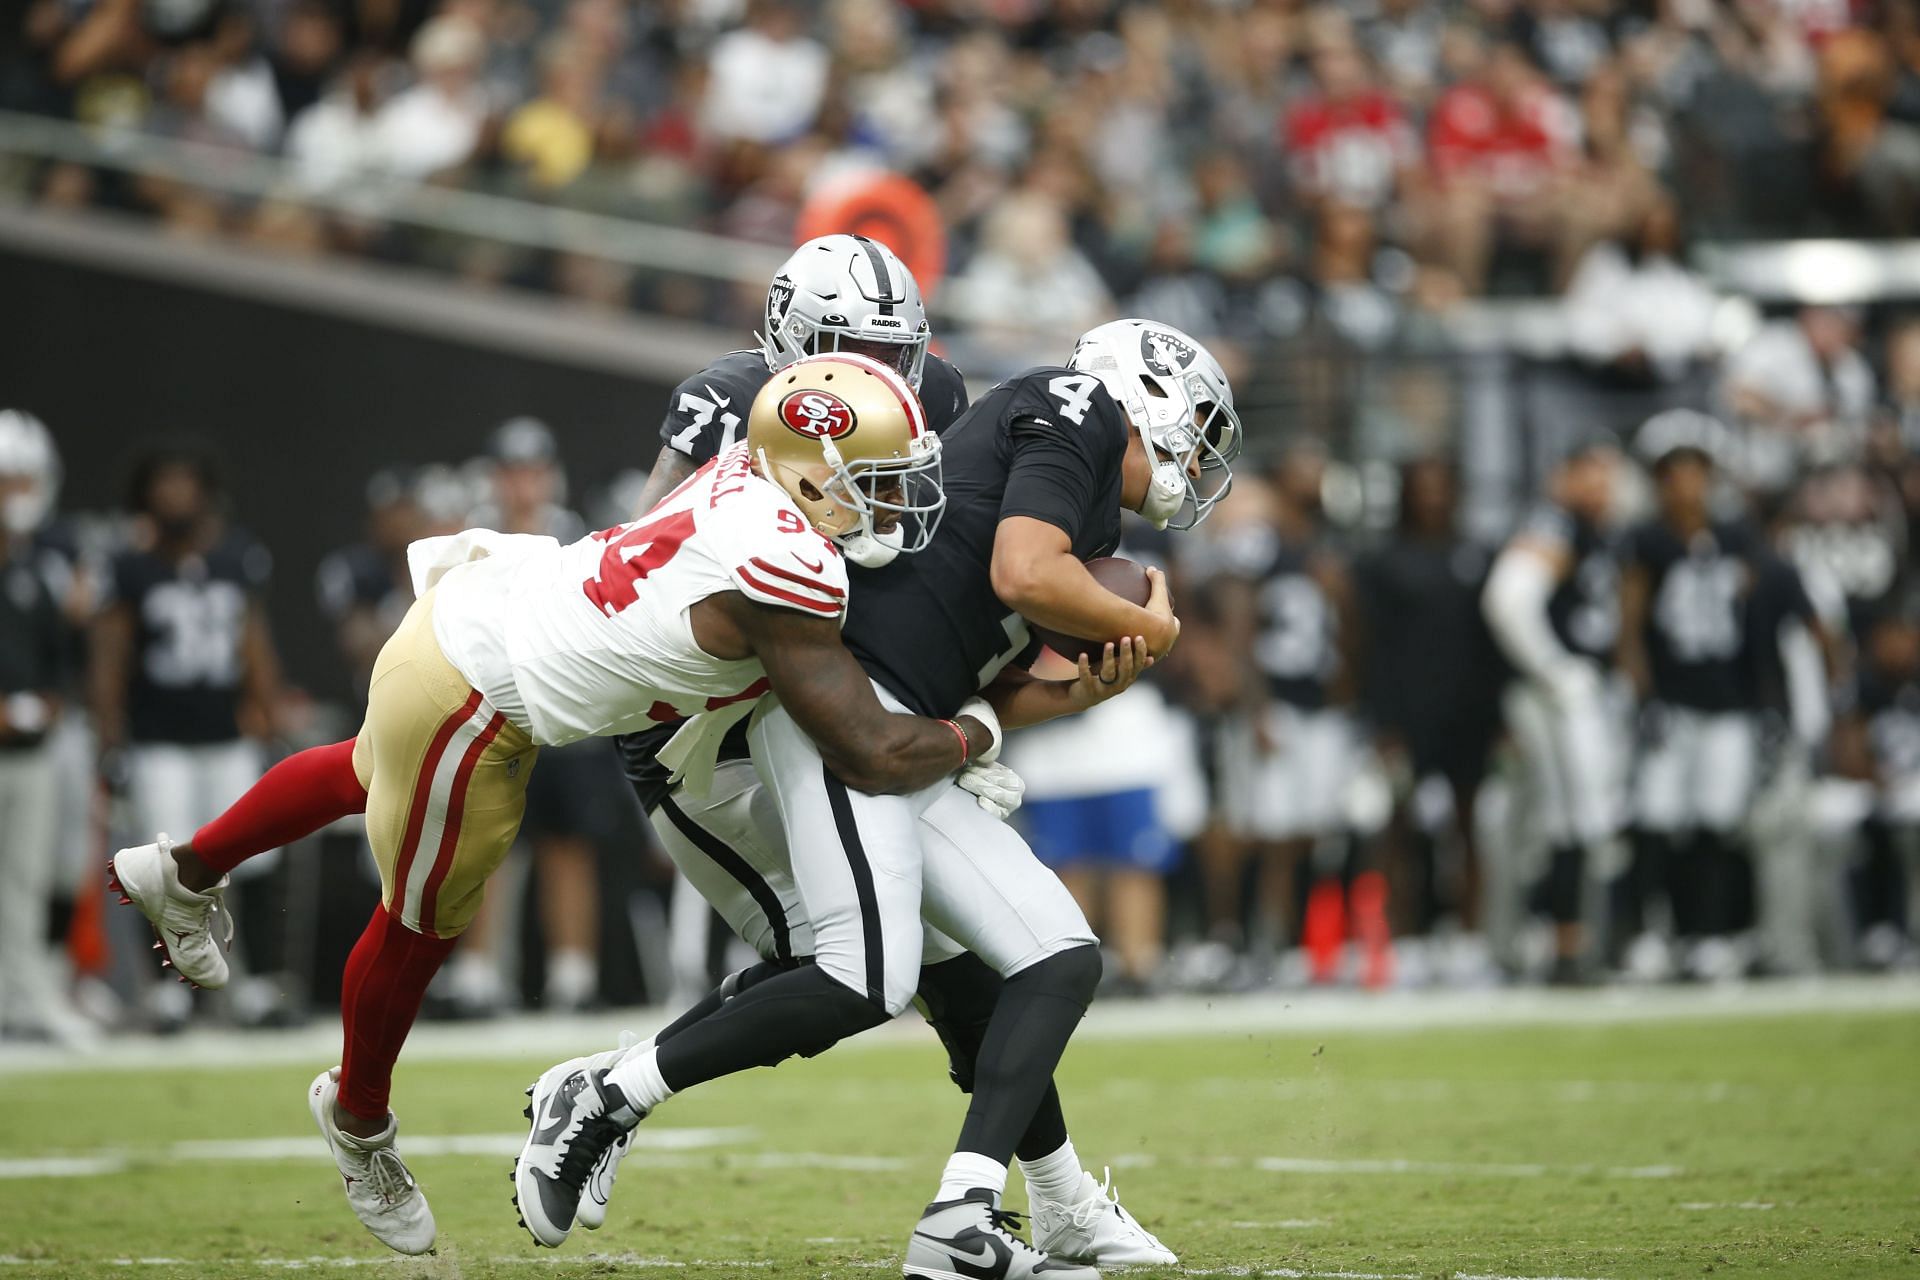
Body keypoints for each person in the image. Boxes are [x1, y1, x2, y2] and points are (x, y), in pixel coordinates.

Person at [108, 355, 981, 1255]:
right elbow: (870, 747)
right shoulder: (789, 564)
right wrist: (977, 731)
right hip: (477, 698)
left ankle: (182, 871)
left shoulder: (742, 472)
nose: (896, 504)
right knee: (421, 924)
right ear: (810, 471)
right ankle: (358, 1116)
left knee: (372, 767)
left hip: (482, 613)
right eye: (878, 483)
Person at [518, 318, 1233, 1280]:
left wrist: (1083, 689)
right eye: (1194, 422)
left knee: (1055, 958)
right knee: (863, 978)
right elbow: (1022, 572)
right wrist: (1150, 623)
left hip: (911, 718)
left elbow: (990, 685)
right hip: (849, 710)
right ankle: (608, 1095)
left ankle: (974, 1211)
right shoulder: (1075, 408)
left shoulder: (1087, 514)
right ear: (1139, 391)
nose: (1200, 453)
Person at [91, 443, 284, 1029]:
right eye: (164, 484)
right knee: (166, 864)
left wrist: (266, 708)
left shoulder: (235, 559)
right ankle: (169, 992)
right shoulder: (131, 566)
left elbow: (253, 639)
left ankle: (257, 984)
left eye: (185, 483)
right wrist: (110, 736)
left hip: (225, 733)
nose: (175, 496)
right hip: (159, 739)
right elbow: (111, 655)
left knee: (251, 859)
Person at [1215, 441, 1359, 982]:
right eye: (1304, 468)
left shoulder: (1327, 545)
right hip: (1274, 702)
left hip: (1321, 704)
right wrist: (1256, 710)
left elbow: (1349, 633)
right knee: (1268, 832)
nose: (1314, 478)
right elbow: (1237, 623)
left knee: (1311, 830)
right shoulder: (1258, 544)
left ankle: (1302, 945)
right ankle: (1254, 945)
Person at [1483, 440, 1626, 983]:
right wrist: (1554, 669)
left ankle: (1582, 941)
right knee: (1571, 820)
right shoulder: (1555, 523)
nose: (1600, 488)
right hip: (1554, 697)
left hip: (1584, 691)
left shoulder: (1592, 528)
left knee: (1589, 819)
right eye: (1589, 475)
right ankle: (1561, 946)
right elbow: (1509, 601)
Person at [0, 410, 91, 1044]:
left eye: (26, 480)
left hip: (28, 750)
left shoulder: (41, 565)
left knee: (28, 878)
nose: (19, 496)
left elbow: (58, 665)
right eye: (9, 481)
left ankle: (25, 992)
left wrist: (49, 703)